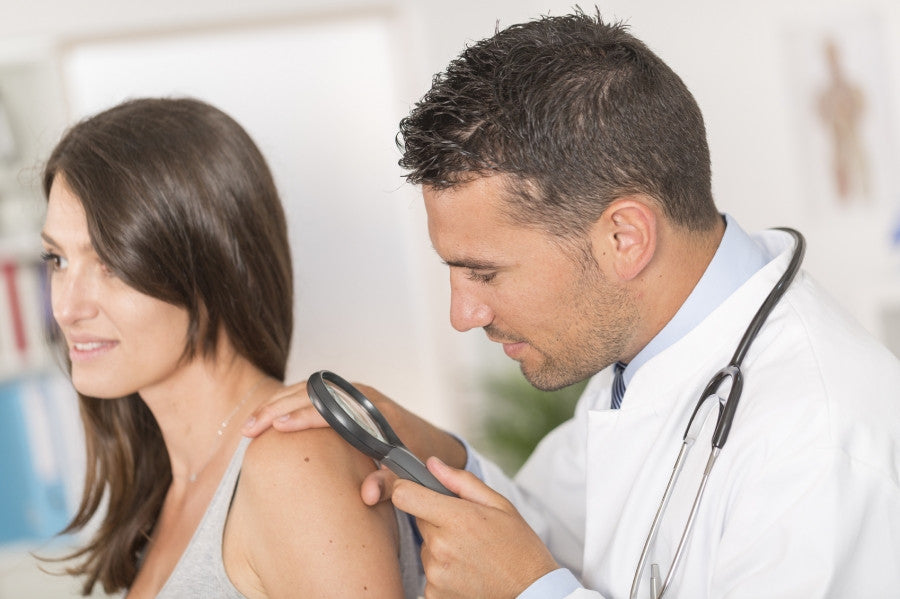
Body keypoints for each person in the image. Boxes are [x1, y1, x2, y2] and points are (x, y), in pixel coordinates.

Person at [244, 10, 900, 599]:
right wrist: (438, 452)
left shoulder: (821, 437)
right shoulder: (645, 351)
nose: (463, 314)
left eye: (485, 272)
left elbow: (539, 573)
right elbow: (565, 528)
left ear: (624, 238)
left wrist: (533, 594)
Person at [39, 97, 419, 598]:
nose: (66, 308)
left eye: (109, 261)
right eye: (58, 259)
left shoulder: (293, 465)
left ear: (209, 264)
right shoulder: (162, 491)